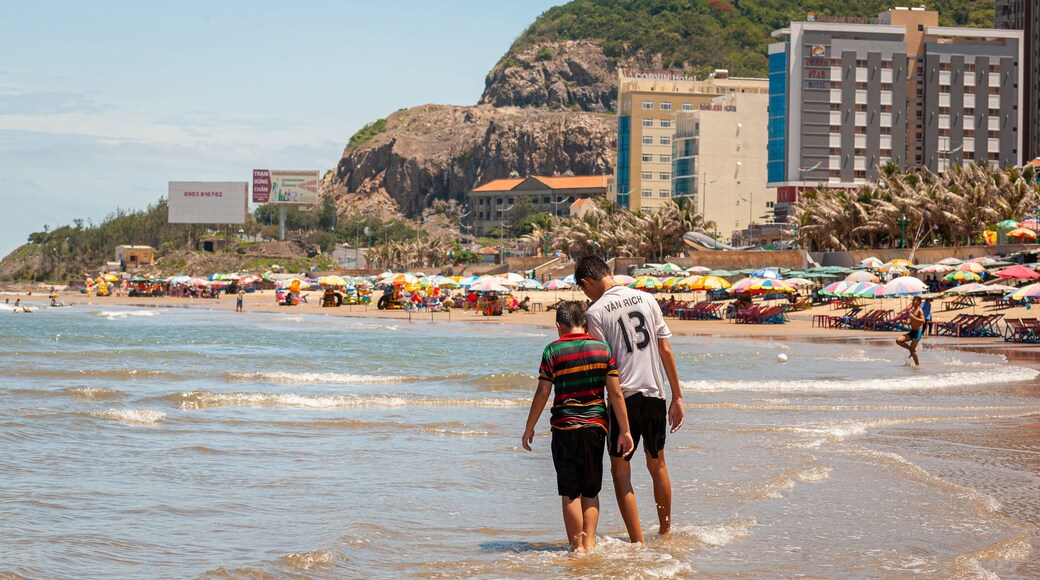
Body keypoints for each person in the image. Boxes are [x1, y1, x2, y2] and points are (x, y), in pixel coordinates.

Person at [574, 256, 684, 543]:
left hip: (623, 399)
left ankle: (638, 542)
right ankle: (665, 531)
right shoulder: (646, 299)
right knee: (657, 463)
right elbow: (666, 350)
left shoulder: (596, 312)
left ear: (587, 283)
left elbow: (602, 364)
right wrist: (678, 397)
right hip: (655, 394)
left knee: (621, 471)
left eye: (584, 290)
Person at [522, 301, 634, 552]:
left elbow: (542, 391)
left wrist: (529, 427)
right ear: (584, 324)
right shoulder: (603, 350)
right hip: (596, 427)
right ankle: (590, 542)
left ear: (558, 326)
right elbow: (615, 394)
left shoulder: (553, 350)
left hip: (564, 428)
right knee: (591, 488)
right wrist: (625, 430)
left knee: (570, 491)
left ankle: (576, 547)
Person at [896, 296, 926, 366]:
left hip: (918, 332)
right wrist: (907, 323)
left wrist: (913, 317)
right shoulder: (912, 310)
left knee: (913, 350)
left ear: (918, 302)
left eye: (913, 301)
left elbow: (923, 321)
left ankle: (917, 365)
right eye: (912, 301)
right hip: (912, 331)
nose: (912, 302)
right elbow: (912, 321)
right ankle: (910, 349)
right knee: (898, 340)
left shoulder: (920, 311)